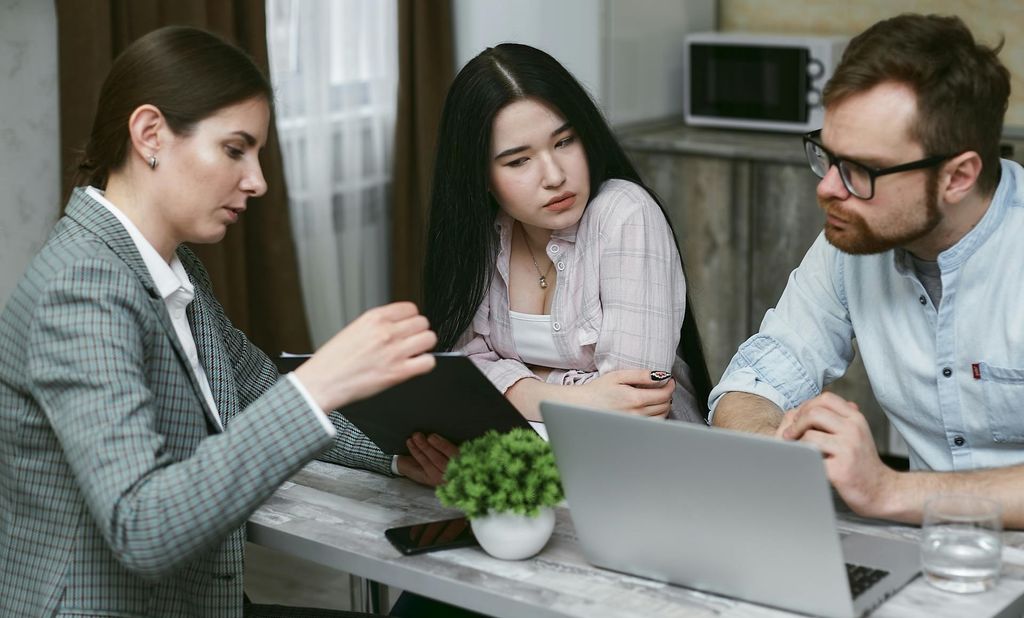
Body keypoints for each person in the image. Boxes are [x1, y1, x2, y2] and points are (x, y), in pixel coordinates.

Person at [0, 26, 439, 617]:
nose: (258, 181)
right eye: (235, 150)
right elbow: (142, 526)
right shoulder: (83, 288)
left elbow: (258, 388)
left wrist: (397, 454)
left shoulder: (173, 269)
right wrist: (318, 385)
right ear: (150, 134)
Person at [709, 14, 1024, 527]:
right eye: (828, 156)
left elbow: (886, 493)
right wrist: (777, 446)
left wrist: (888, 490)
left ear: (957, 177)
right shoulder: (855, 238)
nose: (827, 188)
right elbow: (755, 381)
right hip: (928, 551)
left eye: (860, 170)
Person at [421, 43, 713, 425]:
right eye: (519, 161)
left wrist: (517, 386)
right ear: (481, 176)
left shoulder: (626, 213)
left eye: (564, 142)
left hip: (635, 454)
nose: (555, 176)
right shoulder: (482, 234)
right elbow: (461, 372)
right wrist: (578, 396)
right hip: (520, 450)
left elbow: (633, 403)